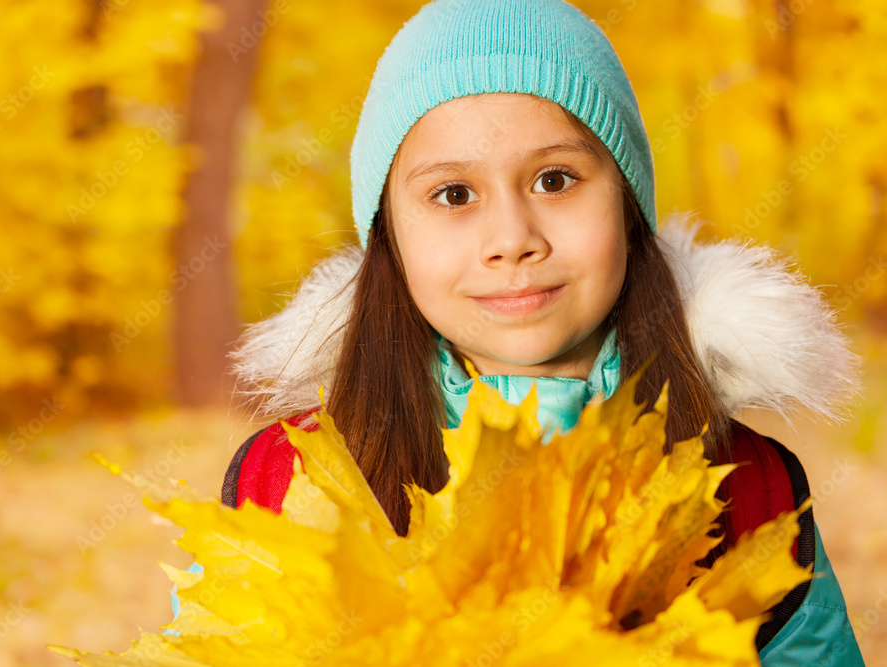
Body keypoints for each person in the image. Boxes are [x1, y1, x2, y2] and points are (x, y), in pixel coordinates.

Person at [170, 0, 866, 663]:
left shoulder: (751, 494)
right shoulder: (284, 487)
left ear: (627, 205)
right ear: (391, 240)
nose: (511, 238)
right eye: (453, 194)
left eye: (555, 180)